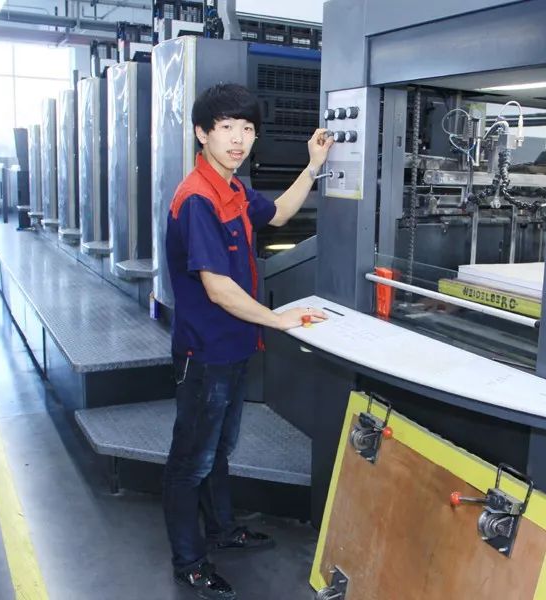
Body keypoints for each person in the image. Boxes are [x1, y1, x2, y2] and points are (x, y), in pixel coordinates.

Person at [163, 82, 333, 599]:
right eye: (226, 128)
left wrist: (313, 167)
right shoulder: (198, 198)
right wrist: (279, 321)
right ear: (202, 133)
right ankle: (190, 561)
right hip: (205, 353)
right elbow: (218, 289)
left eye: (247, 128)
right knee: (191, 460)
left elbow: (278, 214)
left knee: (219, 449)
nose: (238, 139)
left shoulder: (232, 189)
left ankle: (221, 529)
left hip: (234, 347)